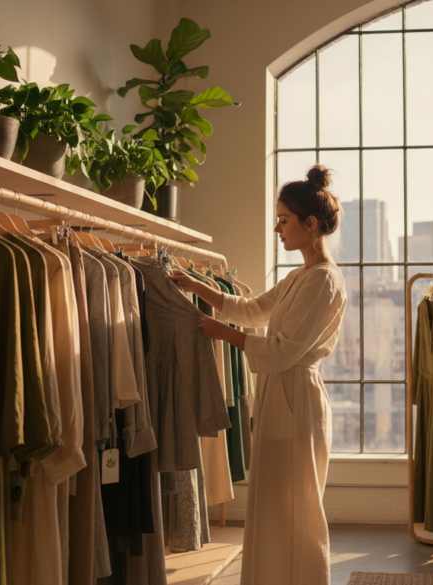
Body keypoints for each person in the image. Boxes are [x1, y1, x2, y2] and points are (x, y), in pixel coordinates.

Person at [167, 165, 347, 585]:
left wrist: (220, 333)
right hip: (281, 395)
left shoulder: (325, 281)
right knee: (271, 505)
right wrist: (198, 287)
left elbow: (285, 351)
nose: (277, 229)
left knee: (296, 506)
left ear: (310, 224)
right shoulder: (298, 277)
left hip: (297, 398)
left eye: (284, 220)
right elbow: (251, 310)